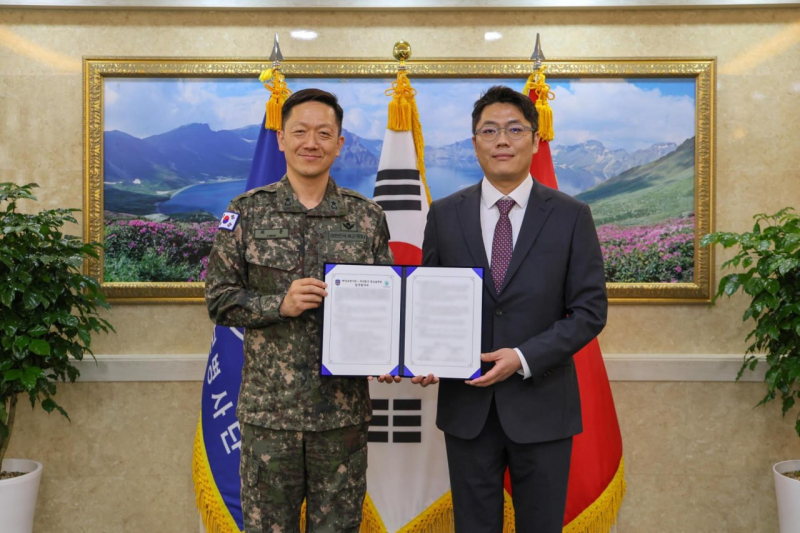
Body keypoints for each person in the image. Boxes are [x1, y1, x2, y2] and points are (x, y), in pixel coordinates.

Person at [412, 85, 608, 532]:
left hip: (543, 405)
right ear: (474, 143)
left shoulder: (571, 215)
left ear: (535, 140)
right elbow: (429, 300)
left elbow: (590, 311)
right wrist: (422, 353)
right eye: (489, 130)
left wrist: (522, 357)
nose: (502, 140)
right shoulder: (444, 214)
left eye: (515, 129)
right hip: (468, 406)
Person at [205, 88, 397, 533]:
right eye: (300, 132)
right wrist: (279, 303)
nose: (312, 143)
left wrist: (391, 352)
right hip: (270, 417)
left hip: (342, 418)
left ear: (339, 143)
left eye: (324, 134)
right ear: (281, 138)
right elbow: (219, 300)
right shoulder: (247, 212)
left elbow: (387, 305)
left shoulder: (366, 217)